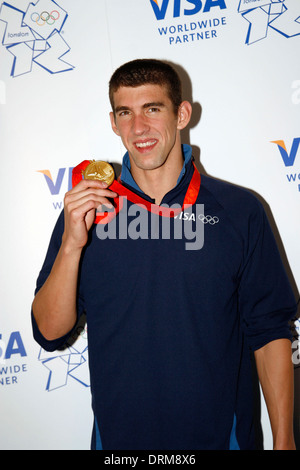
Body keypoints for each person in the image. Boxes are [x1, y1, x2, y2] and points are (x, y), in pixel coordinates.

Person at [32, 59, 297, 450]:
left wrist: (285, 440)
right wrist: (72, 243)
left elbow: (270, 331)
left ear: (182, 114)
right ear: (113, 121)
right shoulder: (87, 210)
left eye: (152, 109)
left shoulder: (239, 210)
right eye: (126, 113)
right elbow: (50, 333)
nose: (138, 128)